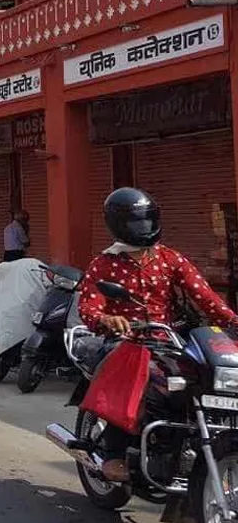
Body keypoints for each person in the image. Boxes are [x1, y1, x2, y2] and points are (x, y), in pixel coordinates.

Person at [77, 187, 238, 482]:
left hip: (166, 341)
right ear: (118, 225)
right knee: (131, 378)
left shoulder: (169, 258)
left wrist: (233, 321)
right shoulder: (104, 264)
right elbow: (89, 307)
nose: (143, 228)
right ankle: (113, 453)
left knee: (199, 379)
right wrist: (108, 319)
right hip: (124, 341)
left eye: (147, 221)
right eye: (135, 223)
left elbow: (206, 298)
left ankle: (181, 444)